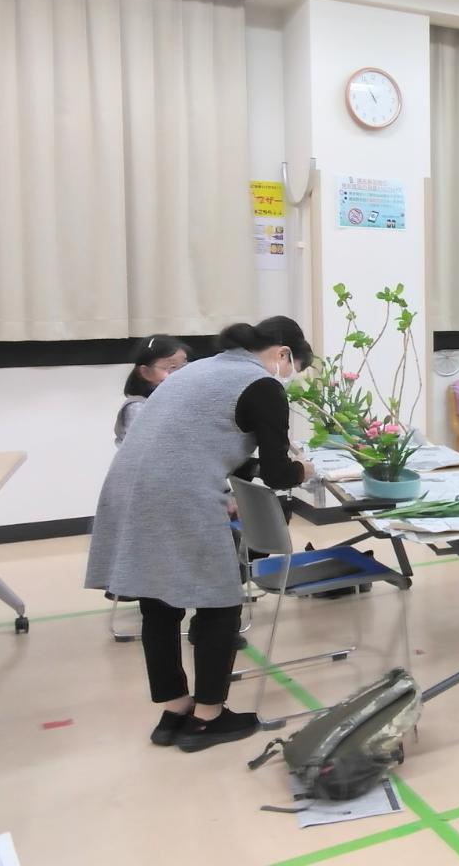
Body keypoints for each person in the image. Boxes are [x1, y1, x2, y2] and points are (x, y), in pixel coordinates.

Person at [85, 316, 315, 752]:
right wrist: (305, 468)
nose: (288, 376)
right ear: (283, 354)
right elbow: (279, 474)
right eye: (293, 367)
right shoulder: (263, 384)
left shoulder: (201, 369)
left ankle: (174, 711)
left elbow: (210, 440)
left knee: (158, 602)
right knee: (219, 604)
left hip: (127, 488)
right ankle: (208, 718)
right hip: (177, 494)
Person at [115, 335, 189, 445]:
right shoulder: (137, 407)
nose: (181, 373)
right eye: (172, 367)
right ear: (145, 372)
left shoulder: (181, 399)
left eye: (184, 366)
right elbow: (149, 446)